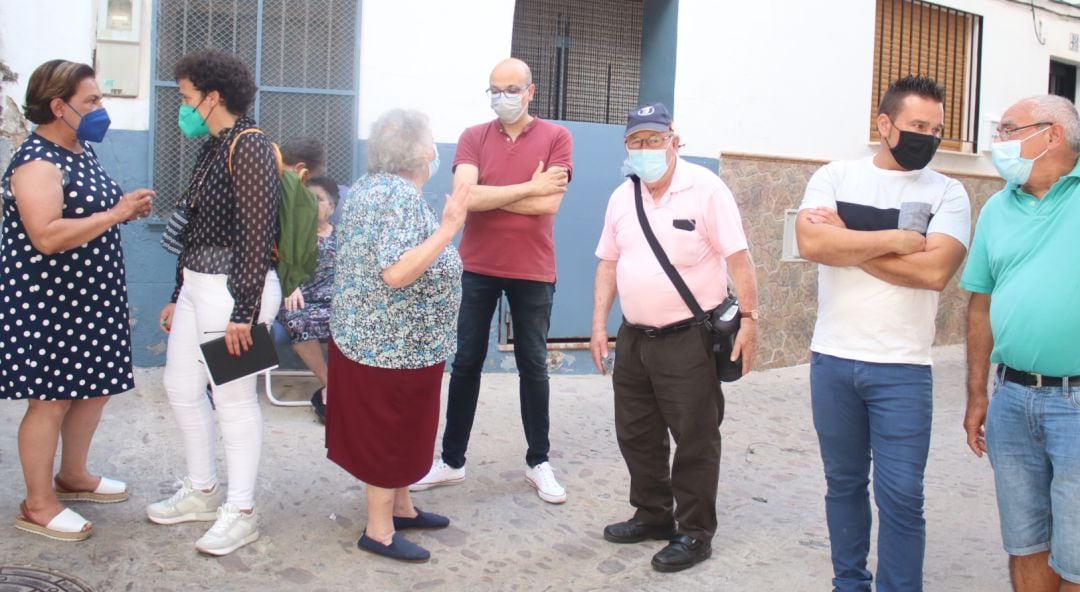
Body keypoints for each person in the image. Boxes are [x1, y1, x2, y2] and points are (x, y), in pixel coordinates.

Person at [795, 76, 971, 591]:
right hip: (832, 361)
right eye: (918, 126)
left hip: (904, 368)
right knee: (843, 484)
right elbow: (810, 242)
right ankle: (849, 583)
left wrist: (845, 240)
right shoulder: (836, 175)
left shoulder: (949, 191)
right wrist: (897, 240)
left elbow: (933, 273)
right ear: (885, 125)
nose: (929, 138)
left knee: (901, 495)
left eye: (937, 129)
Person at [589, 102, 759, 573]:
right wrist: (599, 324)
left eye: (654, 139)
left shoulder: (707, 190)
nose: (645, 148)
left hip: (688, 339)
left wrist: (750, 319)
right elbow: (608, 262)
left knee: (695, 438)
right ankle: (652, 514)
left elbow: (740, 260)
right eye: (636, 141)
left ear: (674, 140)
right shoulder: (621, 198)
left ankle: (694, 532)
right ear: (627, 147)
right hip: (634, 339)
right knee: (636, 433)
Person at [1, 59, 152, 541]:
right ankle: (38, 503)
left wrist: (121, 211)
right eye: (91, 101)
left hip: (90, 296)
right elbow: (45, 235)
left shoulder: (79, 149)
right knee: (51, 400)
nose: (100, 109)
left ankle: (74, 476)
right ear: (58, 106)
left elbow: (88, 211)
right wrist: (116, 214)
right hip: (52, 301)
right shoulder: (37, 161)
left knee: (94, 387)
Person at [411, 58, 573, 504]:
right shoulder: (473, 136)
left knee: (533, 365)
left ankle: (538, 461)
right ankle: (451, 461)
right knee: (465, 362)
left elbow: (550, 206)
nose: (503, 97)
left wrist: (493, 197)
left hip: (534, 269)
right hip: (477, 266)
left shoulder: (557, 137)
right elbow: (465, 198)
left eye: (511, 89)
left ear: (530, 91)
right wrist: (528, 187)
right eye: (495, 90)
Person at [149, 49, 283, 556]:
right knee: (180, 387)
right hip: (199, 288)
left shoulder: (249, 145)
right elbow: (194, 231)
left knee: (233, 401)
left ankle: (241, 511)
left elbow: (256, 234)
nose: (182, 107)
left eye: (186, 98)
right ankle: (203, 492)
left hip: (236, 294)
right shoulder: (213, 146)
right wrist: (177, 292)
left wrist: (243, 313)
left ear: (212, 97)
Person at [328, 108, 467, 563]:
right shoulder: (399, 198)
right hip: (392, 345)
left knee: (405, 431)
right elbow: (397, 271)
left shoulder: (371, 188)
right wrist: (449, 227)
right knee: (389, 435)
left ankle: (402, 507)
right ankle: (380, 529)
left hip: (384, 341)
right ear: (423, 152)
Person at [961, 95, 1080, 592]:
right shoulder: (996, 208)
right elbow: (980, 305)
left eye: (1009, 129)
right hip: (1011, 401)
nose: (998, 142)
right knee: (1025, 541)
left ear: (1051, 134)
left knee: (1077, 553)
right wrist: (976, 395)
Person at [281, 176, 338, 421]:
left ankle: (338, 392)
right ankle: (333, 386)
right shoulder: (289, 233)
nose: (311, 204)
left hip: (336, 304)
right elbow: (275, 266)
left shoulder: (345, 237)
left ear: (332, 207)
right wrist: (289, 285)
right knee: (295, 318)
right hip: (301, 301)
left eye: (318, 199)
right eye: (306, 199)